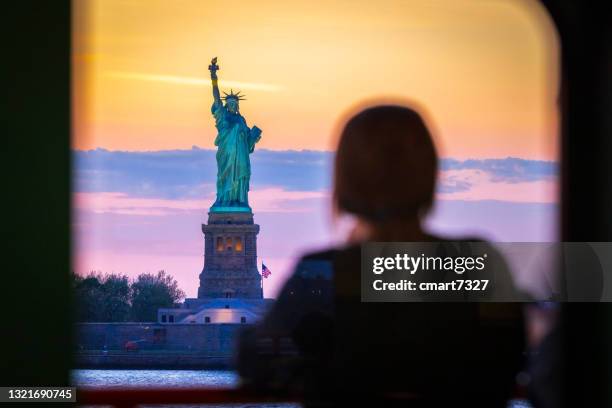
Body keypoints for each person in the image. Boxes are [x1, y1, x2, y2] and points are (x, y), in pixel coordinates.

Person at [237, 104, 524, 406]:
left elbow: (257, 362)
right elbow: (508, 360)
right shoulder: (480, 265)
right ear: (430, 173)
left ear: (345, 181)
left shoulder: (320, 273)